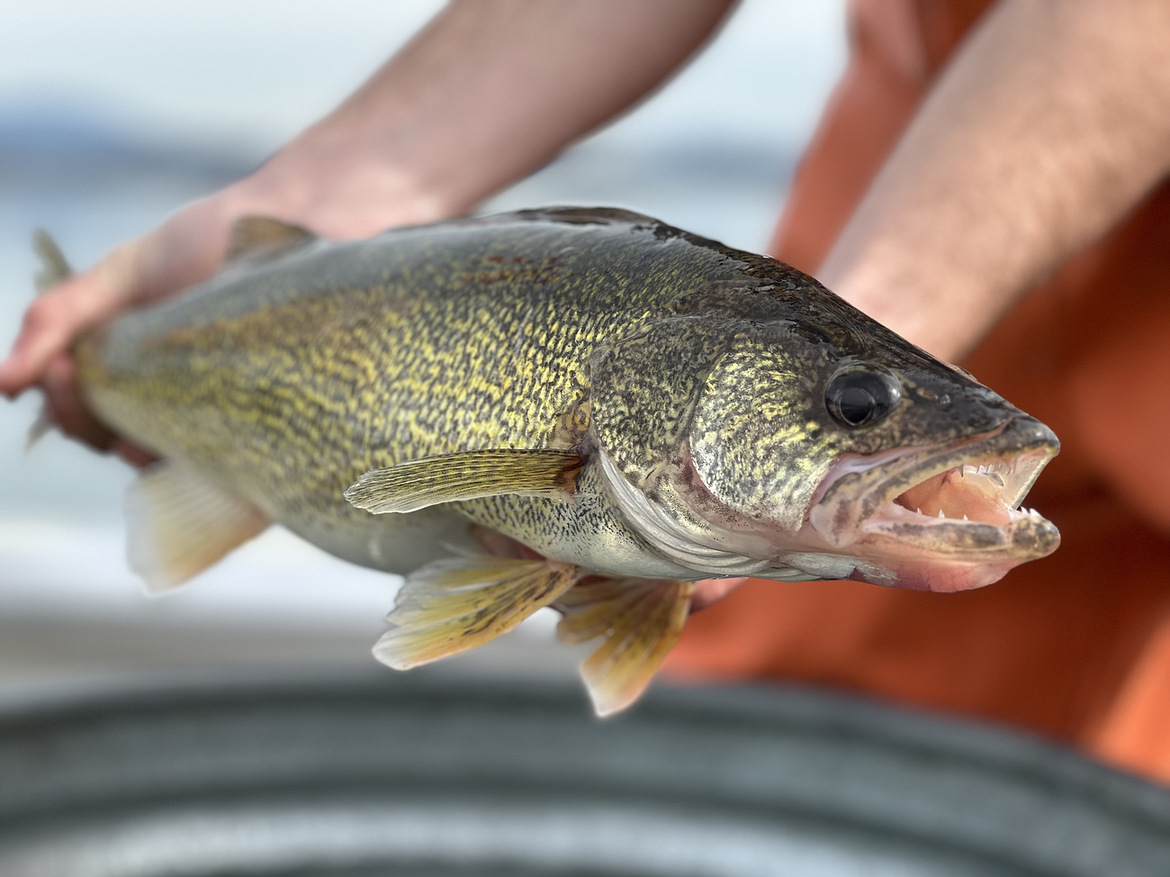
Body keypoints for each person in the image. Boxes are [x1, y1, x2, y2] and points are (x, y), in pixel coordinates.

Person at [4, 0, 1170, 779]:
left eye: (851, 406)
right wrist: (340, 185)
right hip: (929, 111)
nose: (860, 420)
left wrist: (890, 321)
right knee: (805, 763)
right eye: (856, 408)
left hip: (1013, 187)